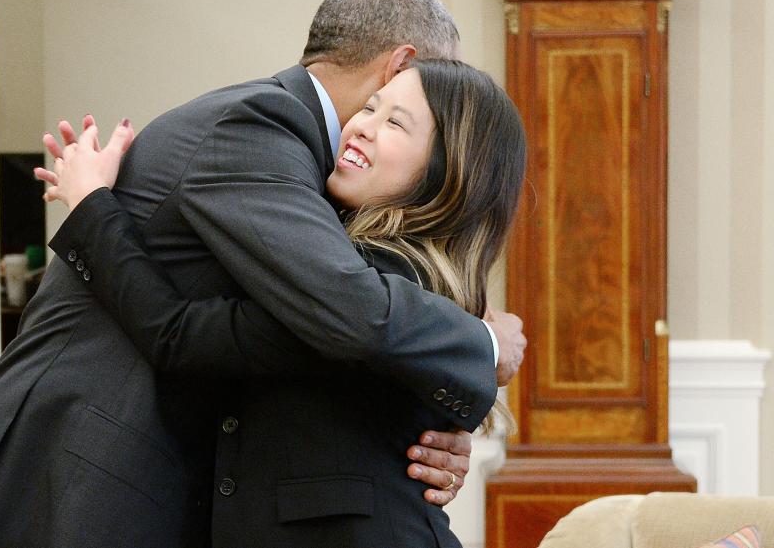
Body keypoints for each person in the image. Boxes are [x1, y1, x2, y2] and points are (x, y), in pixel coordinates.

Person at [0, 0, 526, 548]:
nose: (372, 128)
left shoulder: (334, 196)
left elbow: (337, 319)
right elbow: (341, 305)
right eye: (430, 87)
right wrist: (481, 344)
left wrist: (425, 420)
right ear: (399, 64)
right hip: (68, 472)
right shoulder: (262, 126)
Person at [41, 58, 526, 547]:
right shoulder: (377, 269)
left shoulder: (377, 281)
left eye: (396, 123)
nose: (362, 128)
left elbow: (178, 335)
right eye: (370, 107)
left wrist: (91, 205)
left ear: (449, 171)